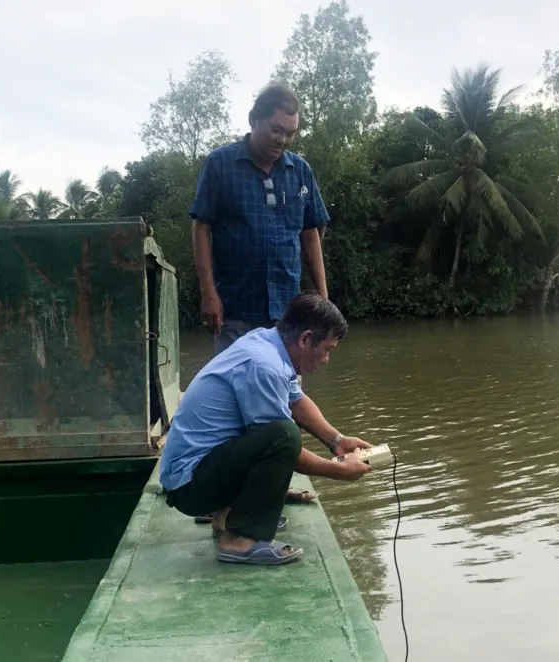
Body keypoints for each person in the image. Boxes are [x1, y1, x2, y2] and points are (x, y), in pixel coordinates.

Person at [159, 293, 372, 566]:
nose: (326, 359)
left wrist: (337, 442)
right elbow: (281, 445)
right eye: (328, 349)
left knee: (277, 433)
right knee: (283, 435)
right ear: (306, 339)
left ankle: (226, 518)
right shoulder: (264, 365)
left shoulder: (269, 343)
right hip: (190, 487)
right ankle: (240, 541)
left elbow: (296, 400)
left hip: (195, 474)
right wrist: (337, 470)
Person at [190, 82, 330, 356]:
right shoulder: (220, 164)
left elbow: (310, 232)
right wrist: (208, 292)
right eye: (276, 130)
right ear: (254, 120)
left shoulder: (300, 171)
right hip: (233, 308)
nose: (283, 140)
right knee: (233, 390)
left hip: (287, 313)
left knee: (283, 391)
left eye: (290, 133)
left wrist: (322, 298)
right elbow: (201, 227)